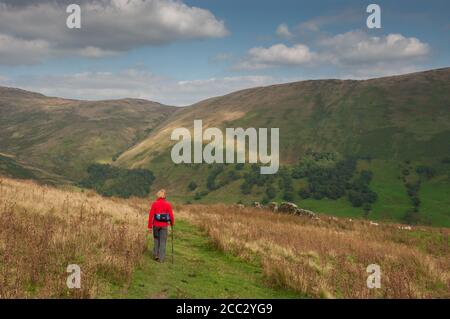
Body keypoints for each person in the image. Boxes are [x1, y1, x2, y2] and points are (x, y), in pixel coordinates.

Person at [148, 189, 174, 262]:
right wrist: (172, 223)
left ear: (158, 195)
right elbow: (171, 215)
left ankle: (155, 255)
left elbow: (151, 215)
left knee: (156, 240)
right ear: (164, 196)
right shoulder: (168, 204)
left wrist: (149, 226)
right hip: (164, 225)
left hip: (156, 225)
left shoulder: (154, 203)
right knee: (163, 241)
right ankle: (161, 258)